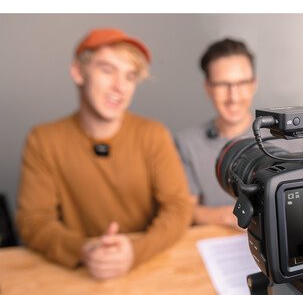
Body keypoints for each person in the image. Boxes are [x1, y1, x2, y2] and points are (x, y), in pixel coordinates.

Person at [16, 28, 192, 280]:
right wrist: (84, 250)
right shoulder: (42, 140)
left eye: (130, 76)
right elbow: (33, 220)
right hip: (78, 274)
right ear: (78, 72)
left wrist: (134, 252)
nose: (120, 87)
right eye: (108, 70)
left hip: (148, 268)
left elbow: (178, 208)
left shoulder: (154, 134)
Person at [175, 38, 258, 228]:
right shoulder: (187, 143)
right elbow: (185, 211)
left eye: (242, 83)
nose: (233, 97)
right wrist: (234, 216)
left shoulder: (287, 137)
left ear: (254, 84)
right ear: (208, 88)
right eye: (222, 85)